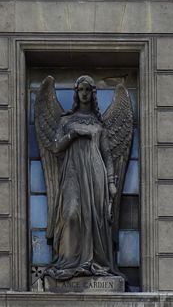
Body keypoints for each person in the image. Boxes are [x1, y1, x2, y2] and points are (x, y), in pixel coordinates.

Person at [39, 75, 126, 280]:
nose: (84, 93)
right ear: (76, 93)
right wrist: (73, 134)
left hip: (95, 175)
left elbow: (107, 156)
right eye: (81, 90)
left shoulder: (99, 125)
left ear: (93, 93)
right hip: (72, 173)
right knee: (70, 214)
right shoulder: (66, 121)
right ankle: (68, 263)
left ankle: (92, 263)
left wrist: (111, 184)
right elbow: (55, 147)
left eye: (88, 90)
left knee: (93, 219)